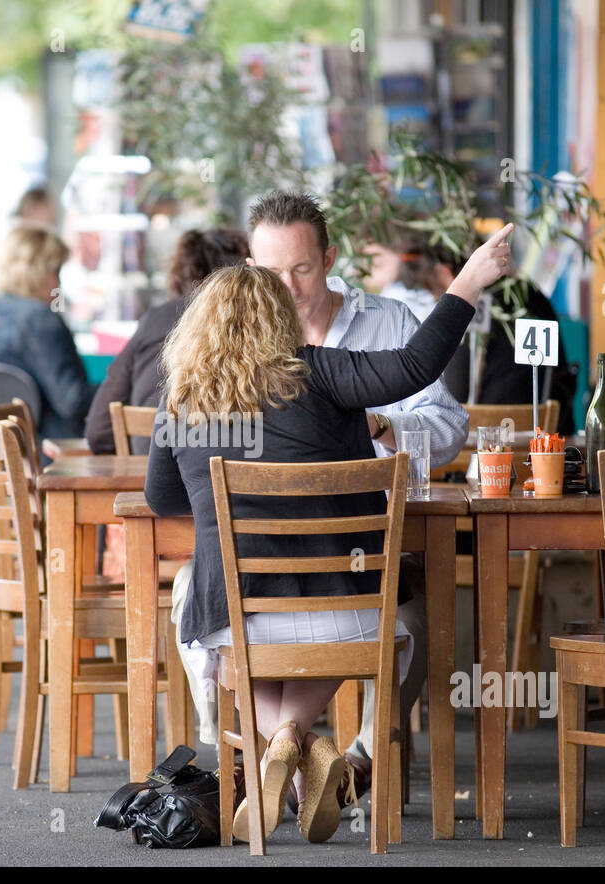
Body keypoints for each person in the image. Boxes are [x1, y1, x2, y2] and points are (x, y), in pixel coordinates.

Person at [147, 226, 514, 843]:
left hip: (237, 618)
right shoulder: (320, 371)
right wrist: (468, 282)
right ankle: (300, 741)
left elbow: (161, 500)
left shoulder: (181, 394)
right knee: (368, 622)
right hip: (345, 615)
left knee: (228, 643)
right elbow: (416, 365)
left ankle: (285, 744)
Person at [229, 190, 468, 800]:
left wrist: (386, 429)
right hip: (270, 565)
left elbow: (450, 428)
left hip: (370, 552)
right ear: (251, 271)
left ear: (330, 257)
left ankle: (356, 761)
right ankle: (306, 751)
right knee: (200, 596)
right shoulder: (235, 349)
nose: (289, 286)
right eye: (272, 272)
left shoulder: (389, 325)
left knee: (416, 613)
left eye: (302, 268)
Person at [390, 228, 578, 435]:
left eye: (434, 292)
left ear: (443, 273)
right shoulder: (528, 292)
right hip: (548, 437)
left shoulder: (468, 308)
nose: (439, 300)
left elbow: (454, 395)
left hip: (489, 445)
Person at [84, 227, 250, 454]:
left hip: (139, 480)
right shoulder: (254, 325)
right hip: (221, 478)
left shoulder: (154, 320)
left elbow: (99, 431)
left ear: (180, 272)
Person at [0, 225, 92, 438]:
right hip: (50, 456)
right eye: (55, 271)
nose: (58, 283)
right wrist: (119, 389)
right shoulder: (39, 319)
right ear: (37, 272)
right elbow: (73, 401)